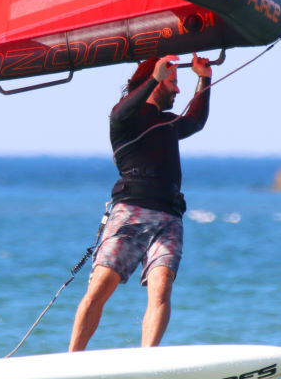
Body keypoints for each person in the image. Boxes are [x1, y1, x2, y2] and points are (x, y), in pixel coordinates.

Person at [68, 53, 213, 352]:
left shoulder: (167, 124)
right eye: (172, 83)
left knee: (162, 288)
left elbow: (196, 121)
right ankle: (72, 358)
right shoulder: (125, 121)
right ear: (156, 81)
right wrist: (154, 78)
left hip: (169, 218)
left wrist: (204, 78)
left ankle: (148, 358)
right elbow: (121, 111)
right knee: (100, 287)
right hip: (131, 214)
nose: (178, 90)